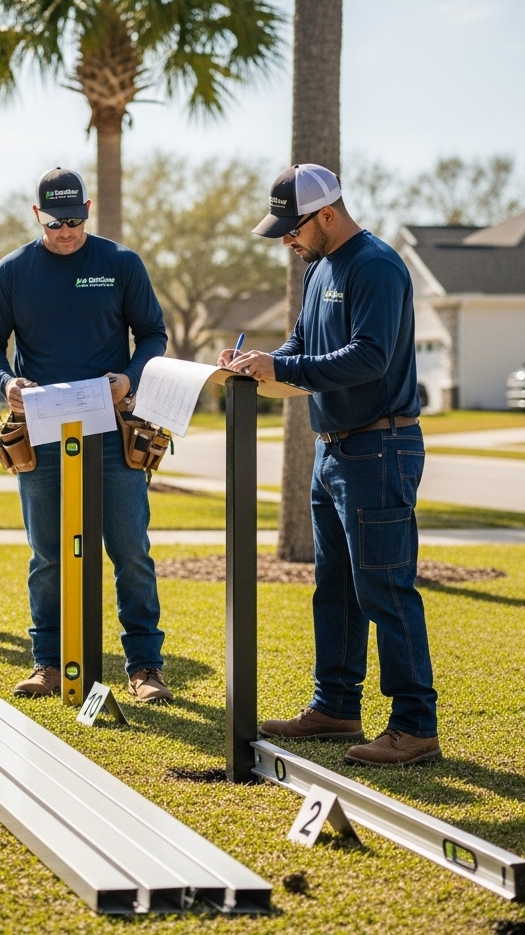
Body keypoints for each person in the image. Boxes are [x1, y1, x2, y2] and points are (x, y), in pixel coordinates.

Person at [219, 164, 440, 767]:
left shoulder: (376, 266)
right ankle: (336, 707)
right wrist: (260, 361)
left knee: (386, 590)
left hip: (379, 448)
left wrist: (284, 371)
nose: (286, 240)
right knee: (336, 589)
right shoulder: (321, 268)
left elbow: (368, 358)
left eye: (293, 229)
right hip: (334, 449)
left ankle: (415, 726)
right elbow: (301, 345)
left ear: (327, 215)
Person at [0, 168, 173, 701]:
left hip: (112, 430)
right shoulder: (12, 271)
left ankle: (145, 667)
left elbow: (153, 333)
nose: (67, 231)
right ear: (37, 214)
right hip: (39, 431)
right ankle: (50, 663)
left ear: (88, 207)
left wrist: (129, 377)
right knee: (47, 553)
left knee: (130, 548)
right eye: (56, 221)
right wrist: (6, 380)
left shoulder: (120, 263)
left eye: (76, 219)